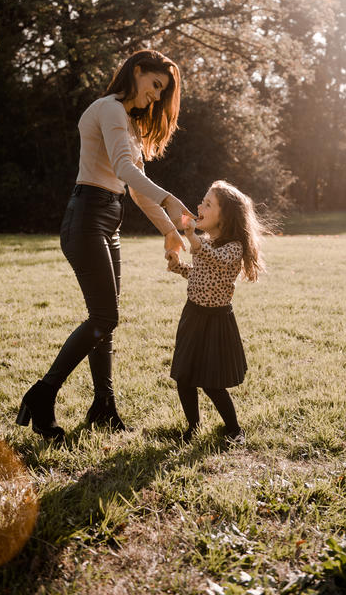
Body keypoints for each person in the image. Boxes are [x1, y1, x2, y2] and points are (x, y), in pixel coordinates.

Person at [16, 49, 194, 440]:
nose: (156, 97)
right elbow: (122, 169)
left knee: (105, 322)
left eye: (163, 92)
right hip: (85, 218)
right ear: (137, 71)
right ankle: (44, 393)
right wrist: (169, 198)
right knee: (104, 317)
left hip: (109, 220)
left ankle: (103, 406)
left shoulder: (131, 124)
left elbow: (135, 188)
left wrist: (168, 230)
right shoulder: (108, 108)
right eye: (155, 85)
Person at [166, 180, 266, 444]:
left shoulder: (233, 249)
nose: (199, 206)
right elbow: (200, 273)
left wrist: (191, 236)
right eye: (203, 201)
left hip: (215, 322)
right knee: (184, 376)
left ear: (225, 218)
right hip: (193, 315)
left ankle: (234, 430)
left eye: (208, 204)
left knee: (211, 382)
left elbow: (214, 259)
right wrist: (178, 266)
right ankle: (192, 427)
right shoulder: (207, 242)